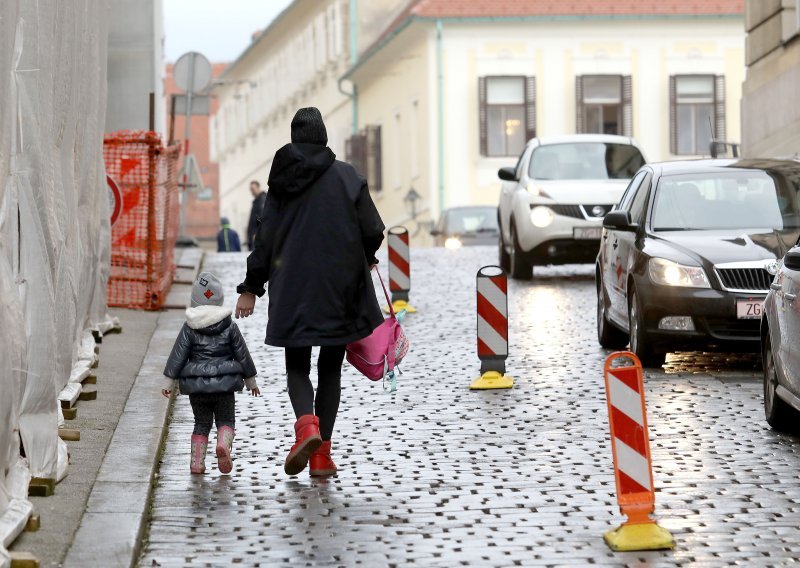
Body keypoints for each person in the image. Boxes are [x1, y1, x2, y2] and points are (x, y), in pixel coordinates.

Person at [235, 107, 385, 477]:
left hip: (293, 287)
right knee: (330, 368)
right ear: (323, 137)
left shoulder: (281, 182)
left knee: (297, 366)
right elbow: (374, 229)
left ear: (294, 137)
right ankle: (321, 456)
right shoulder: (348, 177)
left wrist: (252, 287)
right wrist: (364, 259)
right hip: (341, 288)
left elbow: (265, 238)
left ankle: (307, 426)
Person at [162, 272, 261, 475]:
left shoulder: (189, 327)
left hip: (197, 388)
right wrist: (251, 381)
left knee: (201, 423)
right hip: (225, 387)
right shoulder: (229, 326)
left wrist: (168, 381)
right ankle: (223, 444)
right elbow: (242, 353)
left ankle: (197, 463)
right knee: (226, 420)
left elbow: (178, 355)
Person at [247, 180, 267, 250]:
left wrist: (257, 233)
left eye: (253, 189)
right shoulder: (257, 200)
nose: (251, 191)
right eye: (250, 189)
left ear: (258, 188)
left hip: (257, 236)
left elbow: (262, 217)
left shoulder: (262, 200)